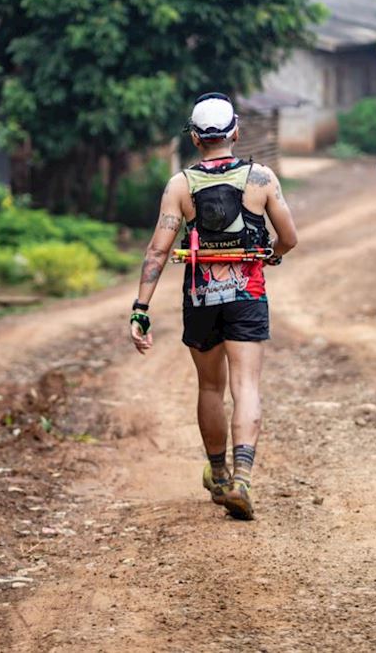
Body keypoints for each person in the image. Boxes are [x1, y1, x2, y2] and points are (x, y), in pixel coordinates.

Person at [128, 93, 298, 520]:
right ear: (235, 132)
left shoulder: (180, 185)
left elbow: (158, 250)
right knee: (246, 387)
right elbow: (289, 237)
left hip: (201, 298)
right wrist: (271, 254)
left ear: (195, 138)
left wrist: (140, 309)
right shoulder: (261, 179)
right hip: (248, 295)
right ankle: (242, 479)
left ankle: (218, 476)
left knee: (209, 387)